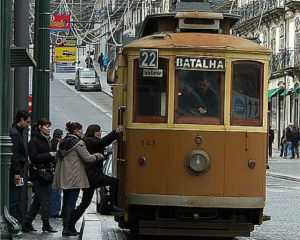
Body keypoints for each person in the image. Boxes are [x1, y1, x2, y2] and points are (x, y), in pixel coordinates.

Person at [67, 124, 124, 234]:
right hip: (93, 175)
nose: (100, 133)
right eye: (98, 131)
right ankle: (113, 205)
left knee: (85, 203)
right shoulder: (90, 141)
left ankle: (69, 225)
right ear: (92, 132)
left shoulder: (88, 140)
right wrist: (115, 133)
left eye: (100, 131)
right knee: (114, 182)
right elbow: (102, 142)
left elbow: (102, 144)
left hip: (89, 176)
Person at [52, 121, 103, 236]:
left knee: (66, 202)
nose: (82, 133)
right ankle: (68, 228)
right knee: (71, 202)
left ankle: (65, 227)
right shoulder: (78, 143)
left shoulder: (63, 142)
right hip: (74, 177)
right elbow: (87, 158)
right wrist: (98, 156)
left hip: (64, 176)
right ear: (75, 131)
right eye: (80, 130)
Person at [23, 118, 57, 233]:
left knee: (37, 201)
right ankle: (46, 224)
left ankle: (27, 222)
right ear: (40, 127)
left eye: (49, 127)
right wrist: (49, 155)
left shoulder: (46, 139)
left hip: (44, 173)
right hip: (39, 174)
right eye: (46, 126)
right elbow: (33, 157)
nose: (48, 129)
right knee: (45, 200)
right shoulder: (34, 141)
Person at [9, 110, 31, 225]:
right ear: (21, 120)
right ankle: (15, 222)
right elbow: (15, 154)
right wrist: (17, 172)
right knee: (16, 197)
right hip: (17, 170)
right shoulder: (16, 133)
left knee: (17, 196)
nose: (28, 124)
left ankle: (17, 221)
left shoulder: (17, 132)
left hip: (18, 169)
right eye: (27, 122)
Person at [49, 129, 63, 218]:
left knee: (53, 192)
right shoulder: (58, 144)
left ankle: (53, 210)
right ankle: (54, 211)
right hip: (56, 170)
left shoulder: (50, 142)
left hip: (50, 170)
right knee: (56, 192)